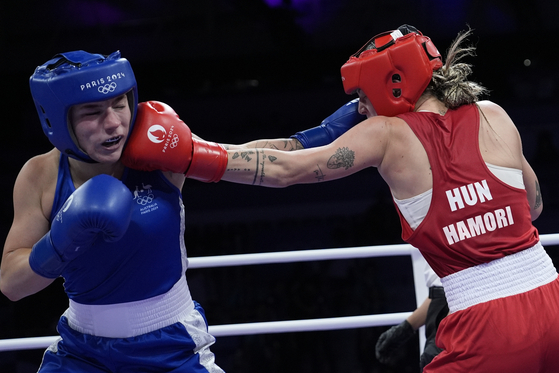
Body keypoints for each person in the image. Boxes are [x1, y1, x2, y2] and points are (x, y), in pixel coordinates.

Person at [123, 24, 559, 372]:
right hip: (551, 297)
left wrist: (189, 153)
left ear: (391, 84)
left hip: (486, 324)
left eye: (360, 97)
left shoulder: (386, 133)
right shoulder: (492, 113)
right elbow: (533, 205)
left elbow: (286, 169)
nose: (359, 108)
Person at [0, 48, 362, 372]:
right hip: (82, 353)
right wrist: (62, 241)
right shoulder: (40, 176)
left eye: (120, 104)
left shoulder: (159, 150)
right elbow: (11, 284)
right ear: (58, 121)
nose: (112, 123)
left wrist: (325, 133)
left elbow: (255, 158)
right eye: (92, 112)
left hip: (170, 347)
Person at [375, 261, 447, 371]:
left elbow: (457, 295)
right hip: (444, 316)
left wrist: (445, 334)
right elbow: (439, 296)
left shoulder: (461, 247)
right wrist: (405, 328)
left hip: (457, 323)